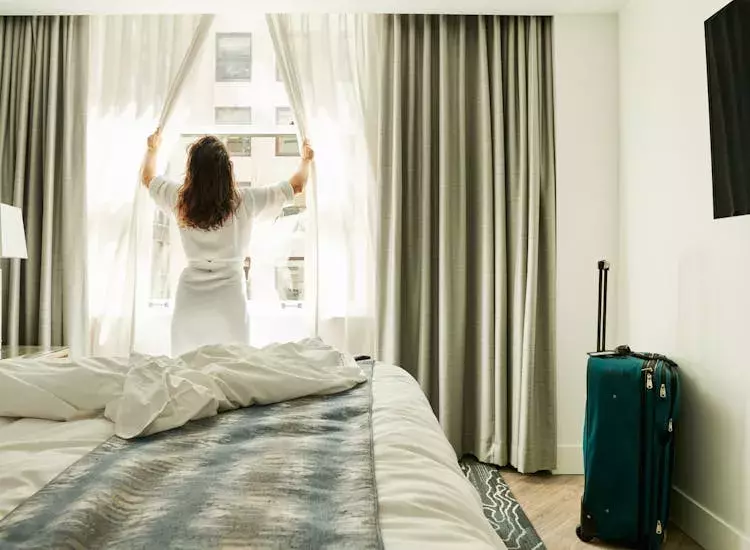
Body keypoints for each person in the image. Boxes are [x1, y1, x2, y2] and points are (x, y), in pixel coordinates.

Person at [140, 129, 314, 356]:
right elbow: (297, 186)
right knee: (234, 369)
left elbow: (147, 177)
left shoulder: (179, 199)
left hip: (190, 299)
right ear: (227, 170)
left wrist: (152, 149)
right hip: (229, 298)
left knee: (185, 369)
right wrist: (306, 160)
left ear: (192, 171)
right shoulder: (245, 201)